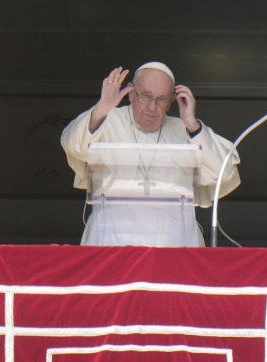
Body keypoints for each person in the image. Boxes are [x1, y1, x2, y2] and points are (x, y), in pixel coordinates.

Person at [61, 61, 240, 246]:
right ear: (131, 93)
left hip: (174, 242)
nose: (152, 107)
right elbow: (73, 146)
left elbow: (223, 175)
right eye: (146, 96)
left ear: (172, 101)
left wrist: (193, 125)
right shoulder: (106, 120)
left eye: (161, 99)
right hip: (111, 238)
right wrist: (101, 108)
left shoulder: (185, 129)